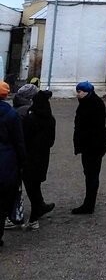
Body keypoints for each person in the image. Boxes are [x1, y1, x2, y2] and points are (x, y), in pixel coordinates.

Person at [72, 81, 106, 214]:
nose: (77, 94)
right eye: (77, 91)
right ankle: (89, 202)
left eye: (79, 91)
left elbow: (90, 127)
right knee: (90, 173)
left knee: (91, 174)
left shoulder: (92, 104)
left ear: (87, 92)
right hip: (93, 144)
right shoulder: (89, 102)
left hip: (93, 145)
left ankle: (89, 205)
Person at [21, 90, 56, 230]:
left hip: (30, 157)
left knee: (30, 186)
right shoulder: (50, 119)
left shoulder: (31, 119)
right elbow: (51, 141)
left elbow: (24, 138)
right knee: (35, 184)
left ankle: (34, 218)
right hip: (43, 157)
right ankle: (40, 207)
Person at [0, 81, 26, 249]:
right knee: (3, 201)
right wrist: (22, 162)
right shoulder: (11, 114)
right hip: (6, 162)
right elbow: (19, 141)